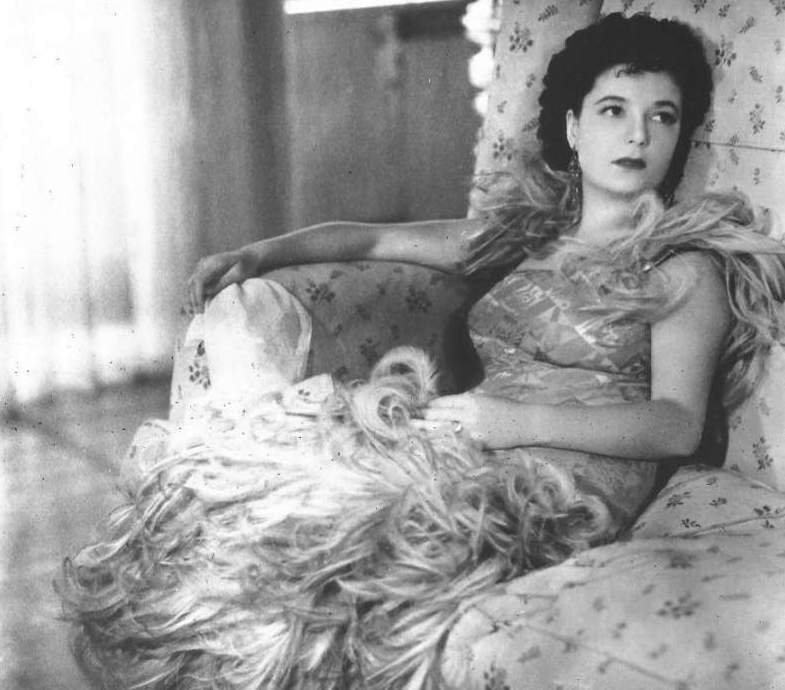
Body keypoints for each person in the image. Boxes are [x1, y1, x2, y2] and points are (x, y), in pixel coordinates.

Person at [59, 12, 785, 690]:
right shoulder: (527, 237)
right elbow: (374, 239)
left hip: (560, 484)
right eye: (614, 110)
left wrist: (511, 422)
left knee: (347, 564)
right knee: (250, 527)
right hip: (467, 444)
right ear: (573, 126)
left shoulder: (683, 267)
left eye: (663, 116)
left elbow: (675, 423)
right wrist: (259, 253)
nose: (638, 136)